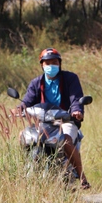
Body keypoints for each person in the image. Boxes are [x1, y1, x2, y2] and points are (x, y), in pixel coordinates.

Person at [18, 47, 91, 189]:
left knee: (67, 139)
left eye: (54, 62)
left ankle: (82, 177)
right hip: (44, 122)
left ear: (59, 64)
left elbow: (76, 98)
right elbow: (27, 101)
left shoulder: (70, 79)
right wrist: (19, 109)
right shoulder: (36, 83)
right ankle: (25, 168)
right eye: (47, 63)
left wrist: (76, 111)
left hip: (65, 120)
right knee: (23, 135)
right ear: (42, 65)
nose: (51, 65)